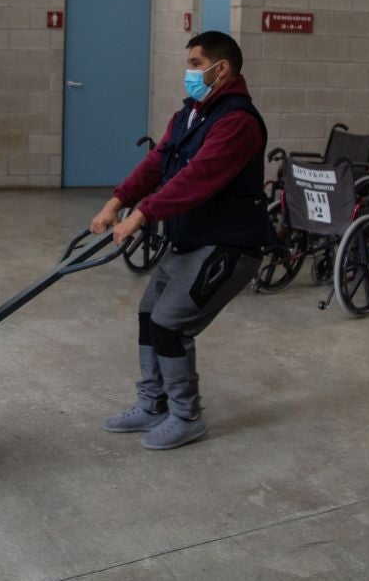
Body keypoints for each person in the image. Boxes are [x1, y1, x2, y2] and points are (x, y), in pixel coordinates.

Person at [90, 31, 274, 450]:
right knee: (148, 314)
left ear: (220, 68)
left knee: (169, 324)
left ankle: (186, 416)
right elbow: (157, 163)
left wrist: (142, 214)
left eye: (194, 63)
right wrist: (116, 201)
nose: (188, 72)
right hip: (190, 239)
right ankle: (152, 403)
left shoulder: (238, 122)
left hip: (228, 244)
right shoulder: (190, 114)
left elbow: (198, 178)